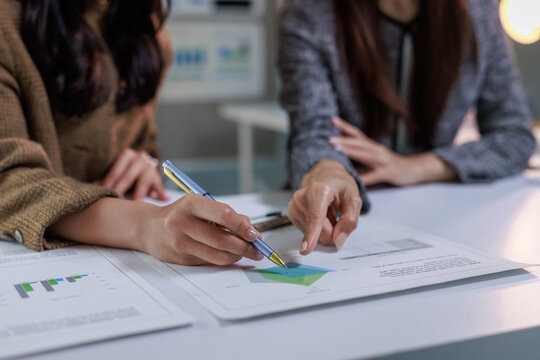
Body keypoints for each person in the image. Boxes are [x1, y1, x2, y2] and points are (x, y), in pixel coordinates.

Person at [0, 0, 265, 266]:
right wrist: (145, 225)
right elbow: (8, 178)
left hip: (109, 259)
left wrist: (144, 162)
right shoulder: (8, 20)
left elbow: (143, 139)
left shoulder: (148, 30)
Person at [279, 0, 535, 255]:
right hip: (352, 213)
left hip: (444, 218)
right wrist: (327, 170)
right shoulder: (309, 14)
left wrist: (414, 166)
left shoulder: (479, 11)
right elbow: (313, 131)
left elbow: (515, 135)